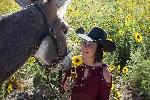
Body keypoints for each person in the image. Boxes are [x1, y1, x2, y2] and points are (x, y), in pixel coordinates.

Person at [61, 27, 116, 100]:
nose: (85, 47)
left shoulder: (104, 74)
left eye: (91, 44)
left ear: (99, 49)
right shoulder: (76, 63)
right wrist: (65, 86)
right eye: (84, 42)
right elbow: (64, 86)